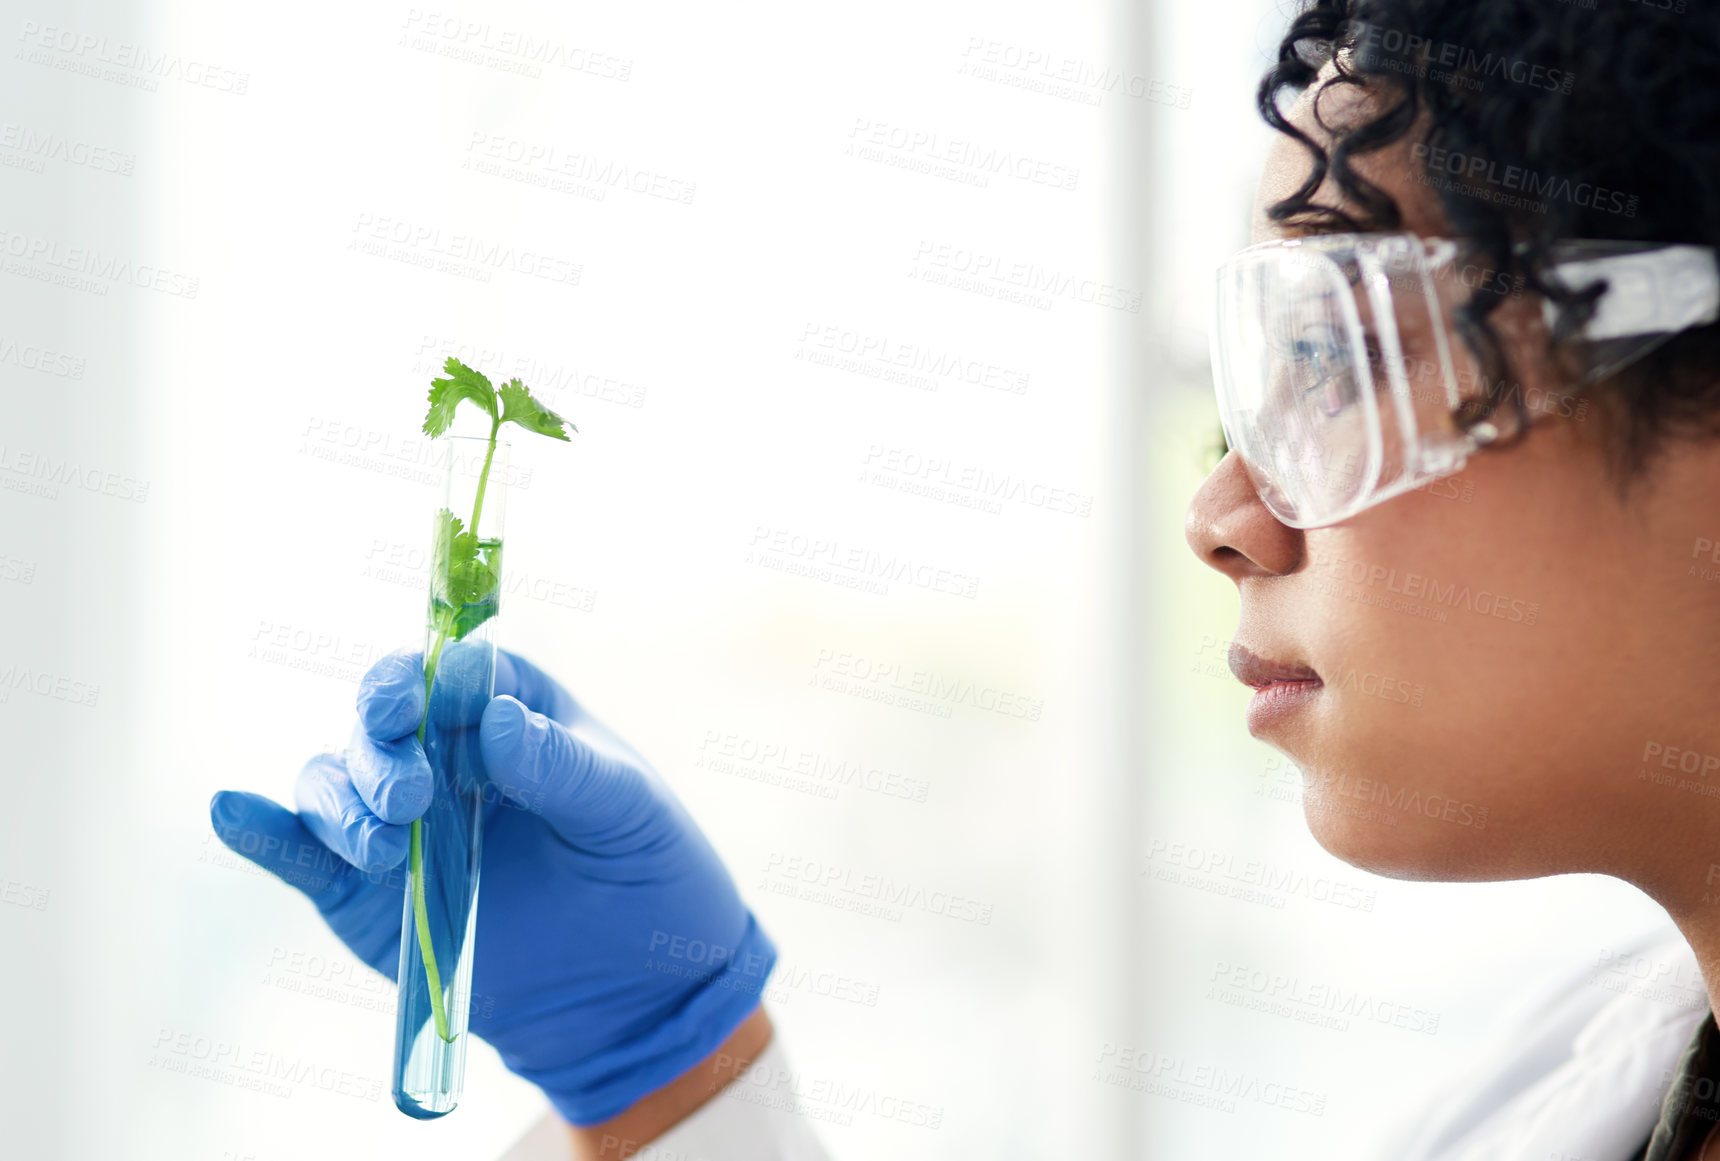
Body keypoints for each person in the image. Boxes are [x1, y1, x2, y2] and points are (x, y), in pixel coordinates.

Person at [211, 1, 1720, 1157]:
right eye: (1268, 372)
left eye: (1343, 349)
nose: (1224, 514)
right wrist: (669, 1069)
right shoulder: (1586, 1082)